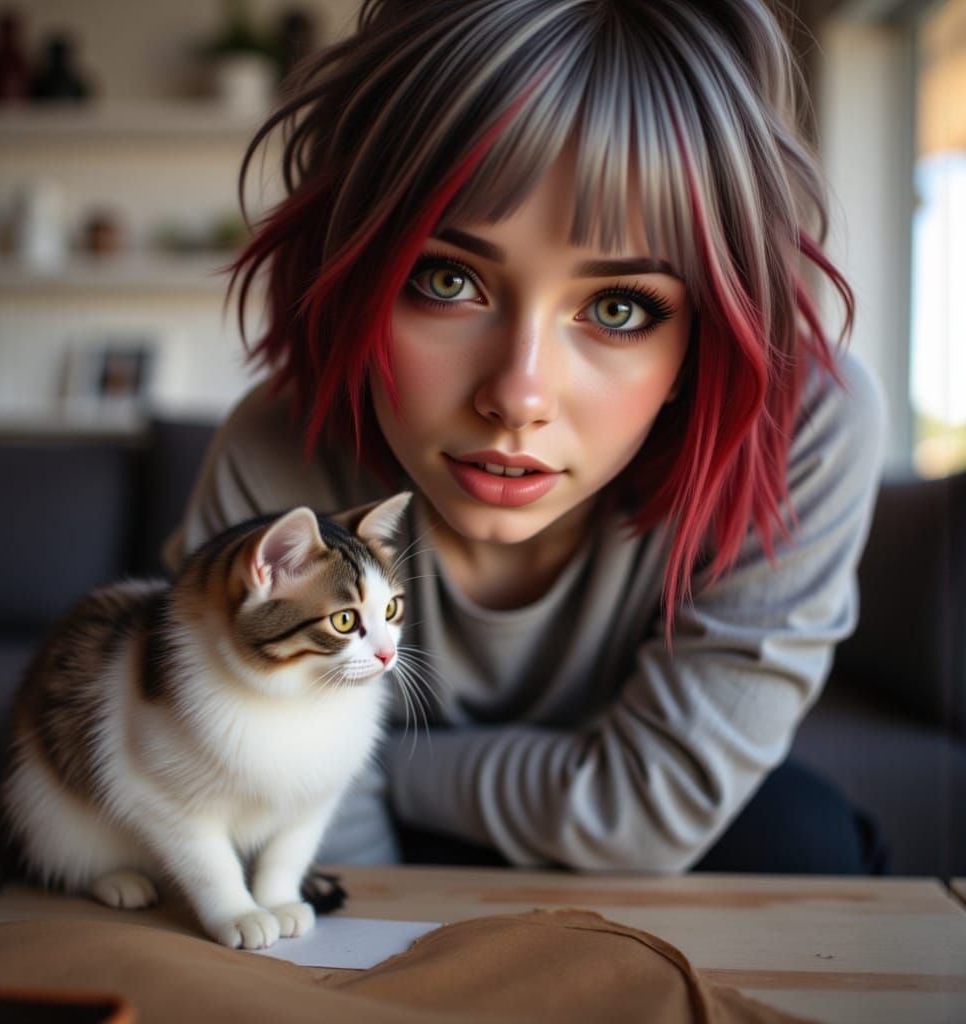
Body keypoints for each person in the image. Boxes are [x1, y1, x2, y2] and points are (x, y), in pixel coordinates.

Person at [165, 0, 888, 874]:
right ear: (356, 277)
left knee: (803, 836)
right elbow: (306, 839)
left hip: (600, 830)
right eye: (446, 280)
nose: (518, 396)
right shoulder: (279, 446)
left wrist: (383, 768)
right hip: (379, 833)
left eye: (617, 308)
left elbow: (649, 813)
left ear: (701, 332)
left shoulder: (803, 425)